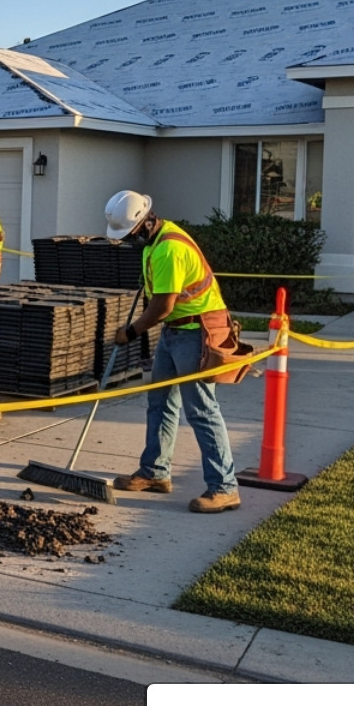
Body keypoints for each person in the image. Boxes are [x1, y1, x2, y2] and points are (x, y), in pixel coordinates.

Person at [103, 189, 240, 513]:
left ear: (146, 223)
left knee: (202, 411)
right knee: (160, 401)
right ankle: (155, 472)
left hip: (196, 332)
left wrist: (132, 332)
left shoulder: (168, 249)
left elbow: (163, 306)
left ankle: (225, 487)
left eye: (131, 235)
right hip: (175, 331)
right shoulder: (158, 240)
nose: (130, 241)